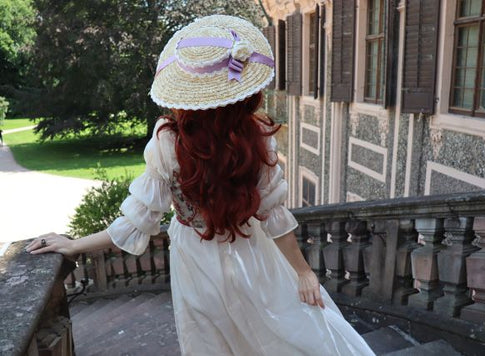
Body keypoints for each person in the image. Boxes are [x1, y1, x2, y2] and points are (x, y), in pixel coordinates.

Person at [26, 15, 375, 356]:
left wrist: (75, 245)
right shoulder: (257, 141)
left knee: (210, 339)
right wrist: (302, 273)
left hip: (195, 261)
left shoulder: (168, 143)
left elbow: (137, 222)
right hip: (252, 255)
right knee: (275, 329)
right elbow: (274, 216)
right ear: (244, 94)